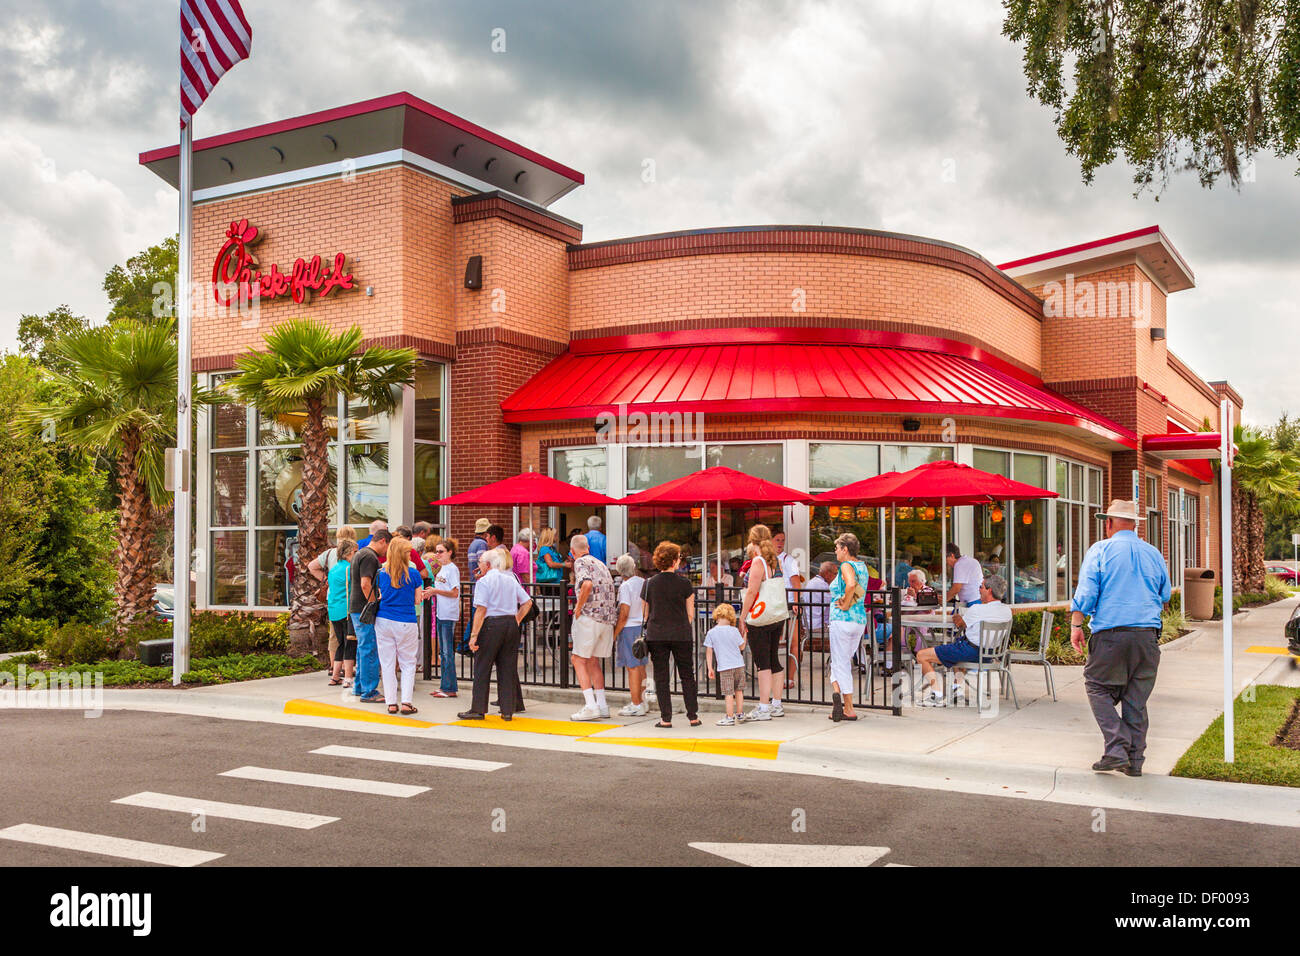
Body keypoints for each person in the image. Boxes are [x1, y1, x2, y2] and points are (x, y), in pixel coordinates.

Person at [1070, 500, 1170, 776]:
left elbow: (1088, 593)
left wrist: (1076, 624)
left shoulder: (1100, 550)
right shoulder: (1153, 553)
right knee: (1135, 700)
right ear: (1135, 524)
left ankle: (1116, 747)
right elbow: (1165, 595)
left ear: (1108, 523)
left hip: (1111, 635)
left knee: (1097, 688)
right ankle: (1135, 762)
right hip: (1147, 638)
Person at [458, 548, 534, 721]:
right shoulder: (509, 579)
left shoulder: (484, 582)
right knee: (507, 666)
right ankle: (507, 710)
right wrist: (516, 619)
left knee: (482, 666)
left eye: (480, 563)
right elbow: (527, 602)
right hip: (510, 623)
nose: (479, 566)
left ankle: (478, 709)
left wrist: (473, 635)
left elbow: (481, 610)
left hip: (491, 624)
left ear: (487, 564)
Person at [915, 575, 1012, 706]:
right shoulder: (1007, 611)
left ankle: (936, 695)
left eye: (981, 587)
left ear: (989, 590)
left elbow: (960, 623)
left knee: (922, 656)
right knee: (957, 647)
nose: (979, 590)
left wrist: (956, 616)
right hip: (990, 655)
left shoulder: (977, 609)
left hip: (971, 652)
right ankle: (957, 691)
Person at [641, 541, 700, 728]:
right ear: (675, 561)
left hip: (656, 633)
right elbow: (690, 613)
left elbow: (645, 613)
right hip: (681, 632)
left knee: (661, 676)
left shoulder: (649, 584)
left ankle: (666, 717)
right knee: (687, 675)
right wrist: (682, 624)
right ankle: (693, 716)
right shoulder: (685, 583)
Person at [374, 537, 433, 715]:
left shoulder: (381, 573)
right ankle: (406, 702)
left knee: (387, 663)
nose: (410, 554)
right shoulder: (413, 574)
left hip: (384, 620)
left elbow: (379, 596)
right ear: (402, 553)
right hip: (406, 620)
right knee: (408, 663)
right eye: (408, 552)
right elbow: (417, 600)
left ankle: (391, 703)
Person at [738, 524, 788, 721]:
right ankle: (776, 703)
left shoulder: (757, 562)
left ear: (752, 541)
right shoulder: (775, 561)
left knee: (762, 662)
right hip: (776, 615)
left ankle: (763, 707)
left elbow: (751, 591)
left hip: (760, 616)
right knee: (774, 659)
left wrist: (742, 616)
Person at [569, 534, 618, 721]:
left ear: (573, 552)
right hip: (606, 619)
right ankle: (602, 705)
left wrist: (578, 607)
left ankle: (590, 705)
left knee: (578, 659)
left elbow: (587, 584)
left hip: (590, 616)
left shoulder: (580, 562)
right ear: (587, 547)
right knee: (592, 661)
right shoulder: (601, 564)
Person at [828, 533, 869, 721]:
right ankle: (838, 694)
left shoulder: (846, 565)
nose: (835, 552)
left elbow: (851, 584)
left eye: (837, 548)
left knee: (839, 663)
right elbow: (858, 588)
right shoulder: (863, 566)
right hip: (859, 620)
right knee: (842, 661)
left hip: (842, 619)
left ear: (845, 549)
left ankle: (849, 707)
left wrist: (844, 604)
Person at [349, 528, 390, 704]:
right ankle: (369, 691)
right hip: (363, 609)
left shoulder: (360, 553)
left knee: (362, 648)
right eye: (387, 547)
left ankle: (359, 686)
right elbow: (366, 584)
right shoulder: (370, 557)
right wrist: (373, 604)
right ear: (383, 541)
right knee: (369, 649)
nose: (387, 551)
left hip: (356, 608)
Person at [613, 553, 650, 716]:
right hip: (641, 627)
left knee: (632, 667)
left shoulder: (624, 587)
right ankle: (642, 701)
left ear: (620, 571)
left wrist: (615, 633)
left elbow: (624, 612)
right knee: (641, 665)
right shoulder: (643, 583)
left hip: (628, 628)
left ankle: (636, 703)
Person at [773, 529, 805, 692]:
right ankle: (773, 675)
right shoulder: (766, 560)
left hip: (788, 603)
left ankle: (790, 677)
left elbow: (796, 582)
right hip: (773, 604)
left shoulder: (788, 560)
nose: (780, 543)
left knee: (793, 642)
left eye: (782, 540)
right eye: (777, 539)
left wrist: (796, 602)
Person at [705, 603, 747, 726]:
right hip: (739, 664)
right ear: (731, 618)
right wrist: (745, 634)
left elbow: (709, 651)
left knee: (728, 693)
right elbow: (742, 646)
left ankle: (729, 716)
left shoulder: (711, 632)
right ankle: (740, 713)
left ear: (717, 617)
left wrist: (709, 668)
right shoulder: (734, 631)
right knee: (739, 690)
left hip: (725, 666)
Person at [429, 538, 460, 699]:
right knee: (444, 651)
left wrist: (435, 591)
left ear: (450, 552)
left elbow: (455, 593)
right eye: (436, 551)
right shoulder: (443, 569)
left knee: (447, 652)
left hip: (448, 613)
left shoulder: (452, 569)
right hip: (441, 612)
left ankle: (449, 687)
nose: (437, 554)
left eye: (441, 551)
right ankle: (445, 685)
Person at [326, 539, 358, 687]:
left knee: (341, 643)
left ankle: (335, 676)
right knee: (350, 643)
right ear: (350, 552)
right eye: (355, 552)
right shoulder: (349, 569)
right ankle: (348, 678)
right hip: (346, 610)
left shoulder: (333, 569)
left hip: (333, 610)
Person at [461, 518, 491, 653]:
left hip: (474, 583)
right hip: (479, 584)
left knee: (475, 615)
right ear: (486, 532)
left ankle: (465, 644)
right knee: (476, 615)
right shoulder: (481, 545)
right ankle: (465, 645)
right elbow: (483, 563)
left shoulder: (473, 543)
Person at [803, 560, 835, 633]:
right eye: (835, 574)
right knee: (845, 629)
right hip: (818, 626)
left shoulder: (814, 581)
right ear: (827, 573)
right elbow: (835, 602)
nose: (836, 577)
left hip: (810, 624)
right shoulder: (822, 585)